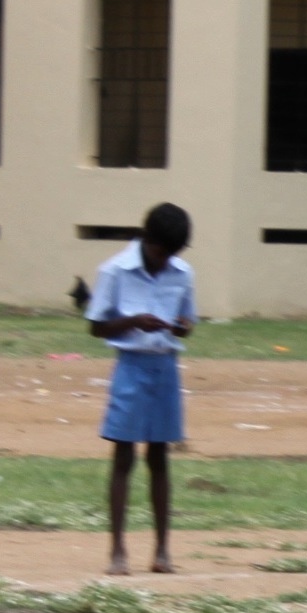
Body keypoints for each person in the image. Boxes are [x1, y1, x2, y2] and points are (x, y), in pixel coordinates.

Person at [86, 203, 196, 577]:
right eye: (162, 252)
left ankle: (162, 550)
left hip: (165, 367)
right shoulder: (115, 270)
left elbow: (188, 321)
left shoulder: (182, 274)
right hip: (130, 368)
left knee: (160, 458)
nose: (167, 260)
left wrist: (182, 327)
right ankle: (118, 550)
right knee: (123, 458)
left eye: (174, 254)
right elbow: (96, 328)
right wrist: (133, 321)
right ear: (147, 240)